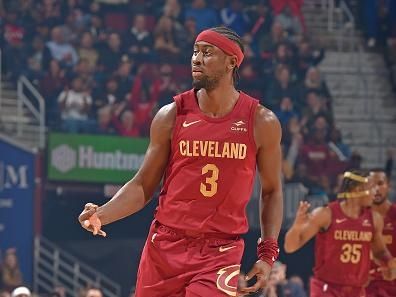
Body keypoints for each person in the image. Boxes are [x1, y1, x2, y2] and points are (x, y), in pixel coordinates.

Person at [78, 26, 283, 296]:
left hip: (219, 252)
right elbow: (142, 185)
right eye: (195, 52)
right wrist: (102, 214)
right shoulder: (171, 115)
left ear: (232, 62)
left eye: (207, 53)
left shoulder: (260, 121)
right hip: (165, 245)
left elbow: (271, 191)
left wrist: (267, 254)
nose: (197, 59)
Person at [284, 170, 396, 297]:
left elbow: (380, 251)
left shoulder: (374, 219)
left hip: (357, 290)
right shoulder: (325, 214)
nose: (375, 192)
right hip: (327, 288)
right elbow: (290, 247)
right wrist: (297, 227)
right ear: (357, 190)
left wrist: (388, 263)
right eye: (371, 188)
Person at [366, 168, 396, 297]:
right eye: (371, 185)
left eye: (380, 183)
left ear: (388, 186)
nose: (376, 189)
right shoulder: (357, 217)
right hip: (365, 287)